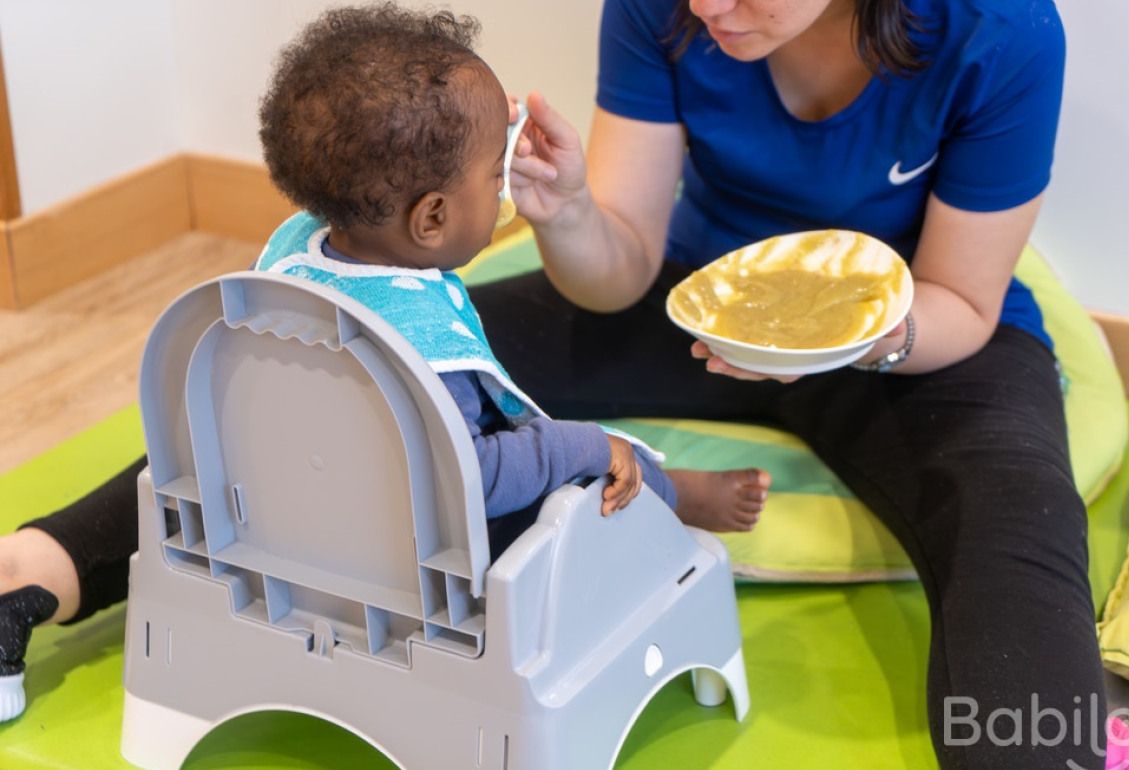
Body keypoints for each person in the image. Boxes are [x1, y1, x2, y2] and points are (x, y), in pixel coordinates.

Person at [0, 3, 772, 723]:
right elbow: (476, 477)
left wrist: (457, 141)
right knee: (596, 468)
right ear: (432, 215)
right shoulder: (423, 351)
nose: (502, 184)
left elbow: (381, 141)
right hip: (410, 565)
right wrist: (586, 446)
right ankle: (678, 496)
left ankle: (20, 587)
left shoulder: (301, 248)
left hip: (281, 529)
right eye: (494, 177)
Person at [464, 0, 1108, 767]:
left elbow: (964, 302)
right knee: (417, 361)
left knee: (1014, 526)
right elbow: (622, 270)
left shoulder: (1002, 29)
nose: (707, 7)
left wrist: (847, 334)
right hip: (703, 301)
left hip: (912, 327)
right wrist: (569, 214)